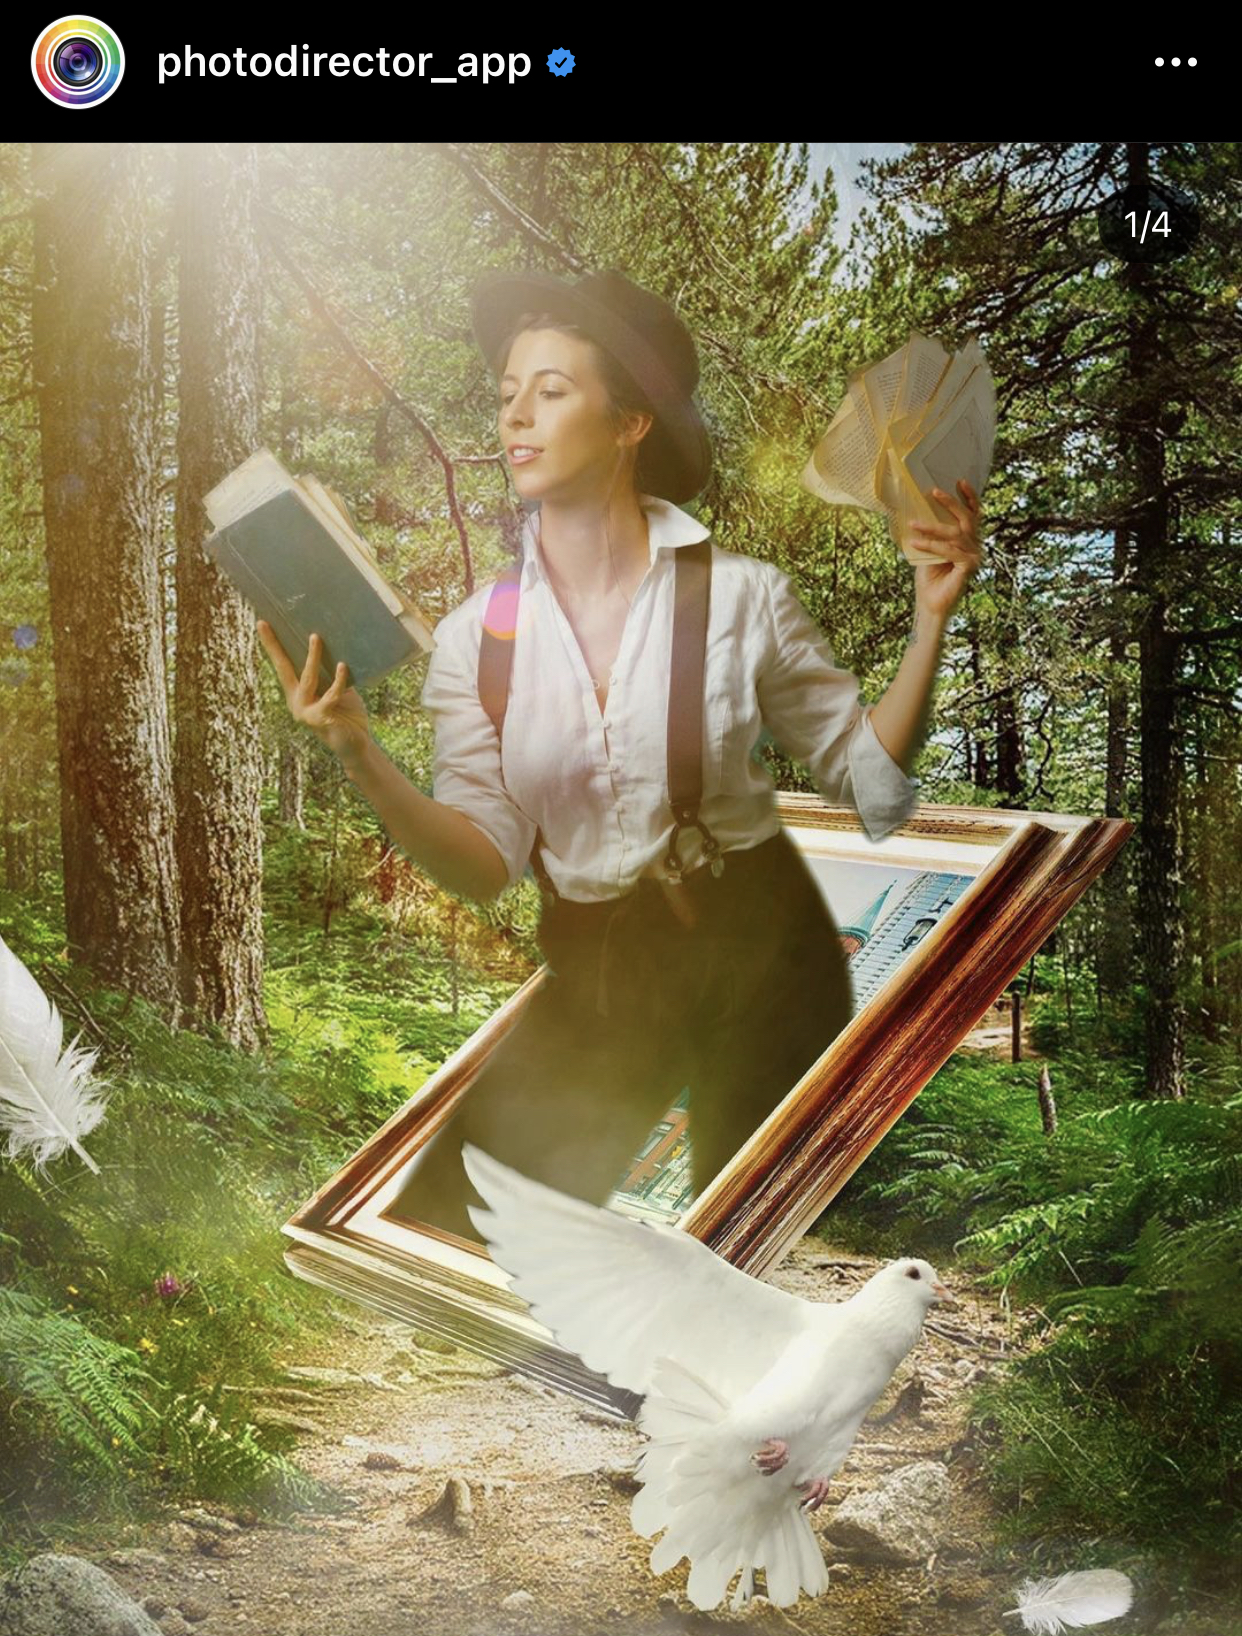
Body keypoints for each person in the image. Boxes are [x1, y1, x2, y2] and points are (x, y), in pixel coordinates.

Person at [258, 268, 982, 1250]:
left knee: (720, 1263)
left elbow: (871, 789)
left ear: (631, 422)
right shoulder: (483, 640)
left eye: (551, 390)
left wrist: (930, 619)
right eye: (508, 390)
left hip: (759, 958)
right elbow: (481, 865)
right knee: (443, 1234)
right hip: (600, 965)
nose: (516, 414)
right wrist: (356, 751)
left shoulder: (737, 598)